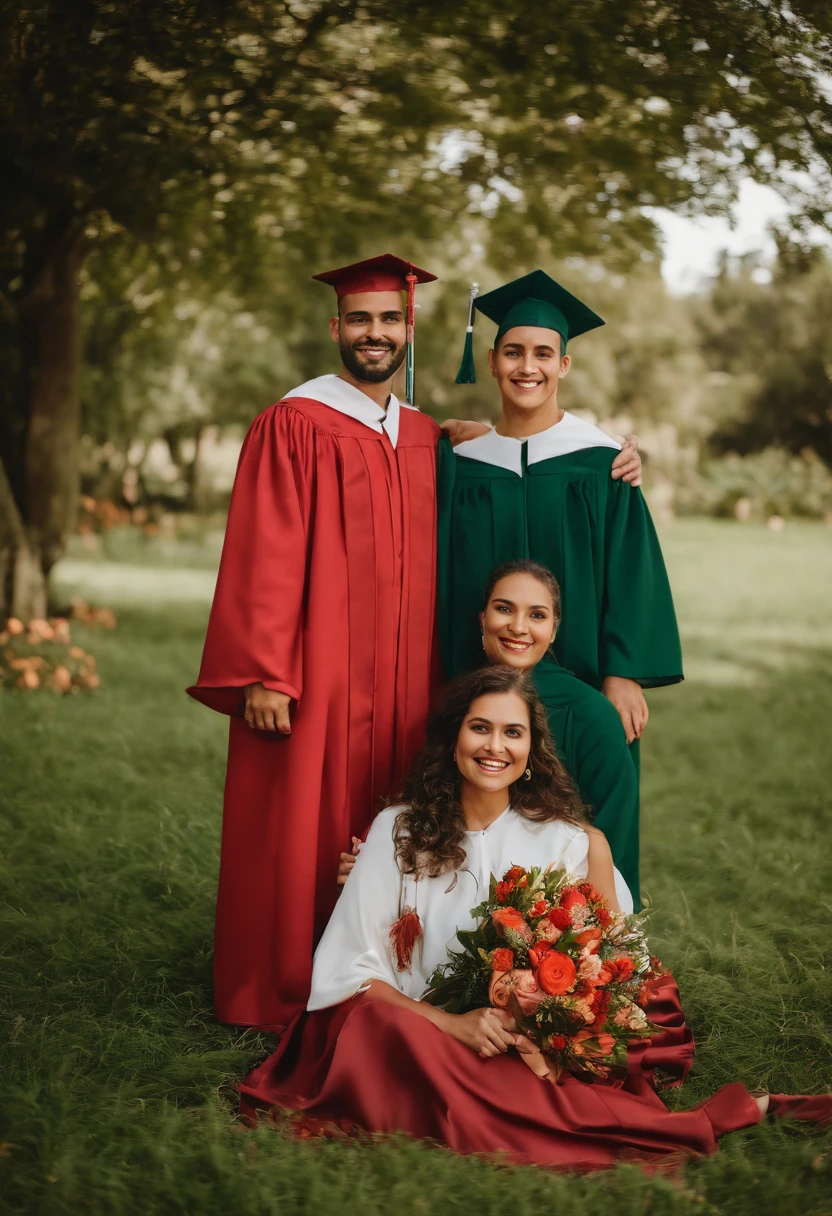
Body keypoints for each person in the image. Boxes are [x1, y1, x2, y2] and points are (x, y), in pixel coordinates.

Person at [189, 255, 642, 1031]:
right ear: (336, 328)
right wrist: (267, 669)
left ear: (409, 329)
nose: (375, 333)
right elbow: (263, 548)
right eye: (359, 319)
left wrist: (613, 451)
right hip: (318, 673)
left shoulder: (427, 438)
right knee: (302, 813)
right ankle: (291, 980)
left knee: (399, 804)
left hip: (403, 677)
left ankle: (400, 963)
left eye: (389, 320)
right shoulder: (295, 421)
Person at [240, 668, 829, 1170]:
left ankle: (520, 1105)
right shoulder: (399, 831)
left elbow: (610, 975)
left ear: (530, 752)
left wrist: (537, 1024)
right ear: (453, 739)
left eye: (512, 732)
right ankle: (485, 1095)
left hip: (520, 1037)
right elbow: (350, 970)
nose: (495, 745)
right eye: (480, 727)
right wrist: (454, 1026)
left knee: (532, 1071)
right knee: (374, 1028)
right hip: (418, 1025)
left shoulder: (565, 844)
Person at [438, 269, 683, 751]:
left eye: (543, 354)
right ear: (491, 361)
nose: (527, 367)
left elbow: (631, 572)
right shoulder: (461, 466)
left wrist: (623, 673)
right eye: (513, 352)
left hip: (582, 686)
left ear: (564, 365)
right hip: (475, 692)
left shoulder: (602, 466)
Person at [343, 559, 642, 902]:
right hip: (449, 887)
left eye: (537, 615)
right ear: (482, 619)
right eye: (504, 609)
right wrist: (374, 866)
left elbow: (610, 842)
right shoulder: (457, 702)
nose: (518, 626)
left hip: (549, 902)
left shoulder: (592, 715)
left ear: (554, 630)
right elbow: (429, 797)